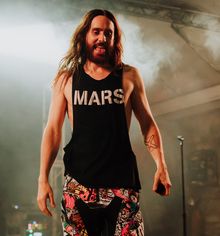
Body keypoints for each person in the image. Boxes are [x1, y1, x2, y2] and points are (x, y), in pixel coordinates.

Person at [37, 9, 171, 236]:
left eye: (108, 33)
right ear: (84, 36)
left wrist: (162, 166)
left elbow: (147, 123)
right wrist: (43, 179)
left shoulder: (129, 76)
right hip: (78, 184)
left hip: (122, 183)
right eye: (96, 32)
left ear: (114, 39)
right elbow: (52, 130)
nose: (102, 38)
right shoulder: (67, 78)